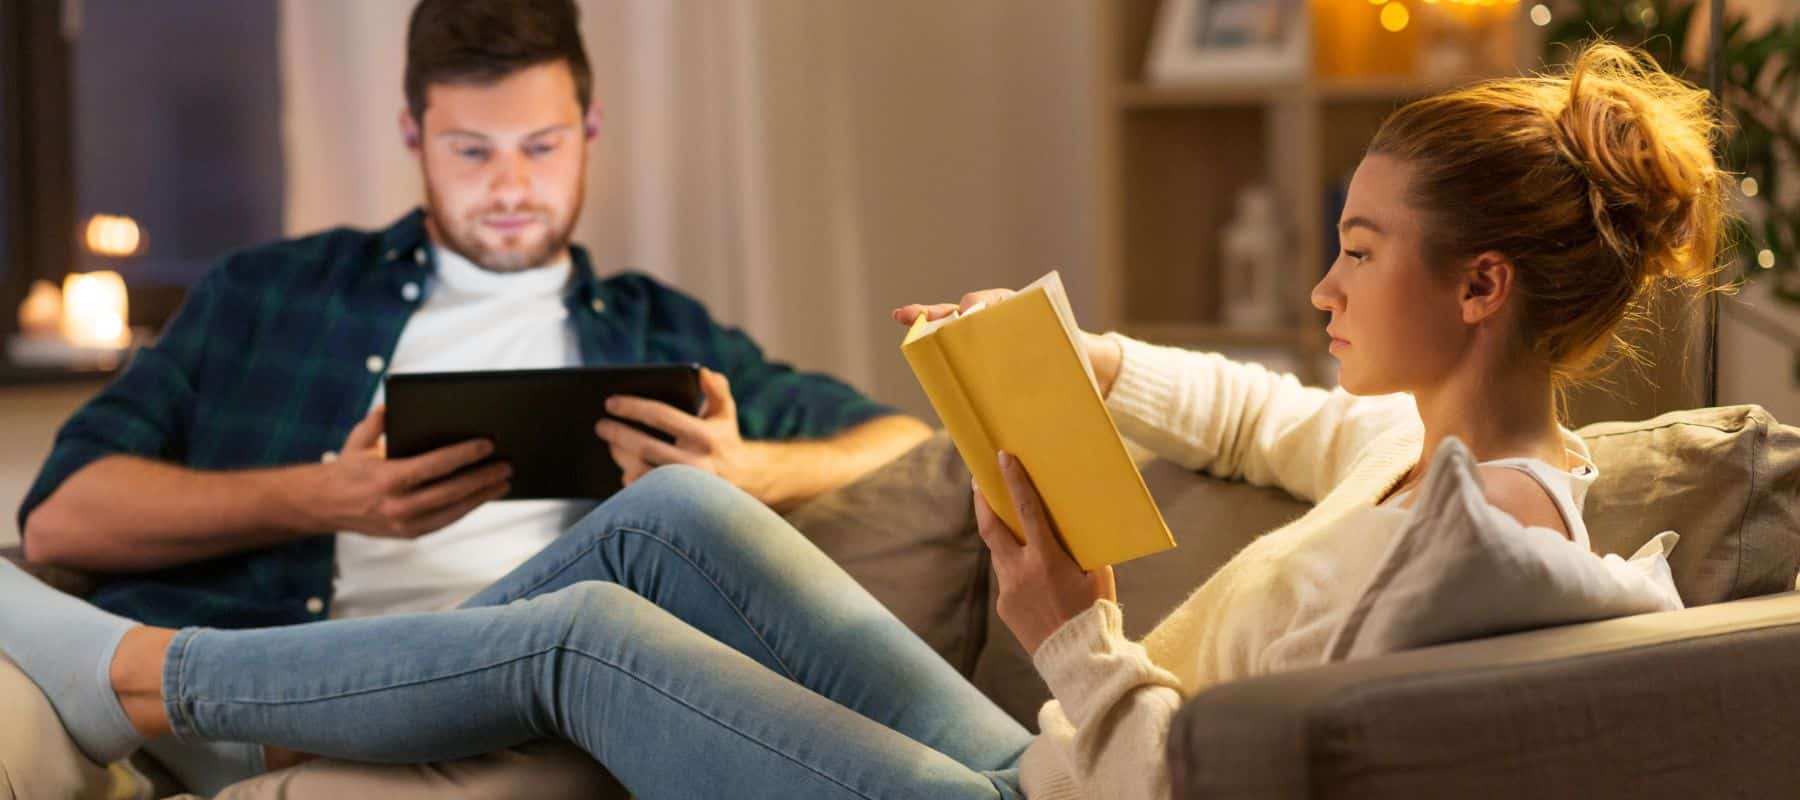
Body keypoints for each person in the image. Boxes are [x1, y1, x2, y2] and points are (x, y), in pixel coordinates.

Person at [0, 41, 1725, 799]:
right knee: (681, 519)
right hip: (1050, 758)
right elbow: (1249, 406)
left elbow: (1203, 784)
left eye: (1357, 250)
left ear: (1481, 287)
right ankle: (267, 700)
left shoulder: (1494, 559)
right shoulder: (1408, 446)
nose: (1324, 290)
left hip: (1055, 795)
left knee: (592, 633)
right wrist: (1056, 354)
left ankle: (143, 683)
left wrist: (1074, 631)